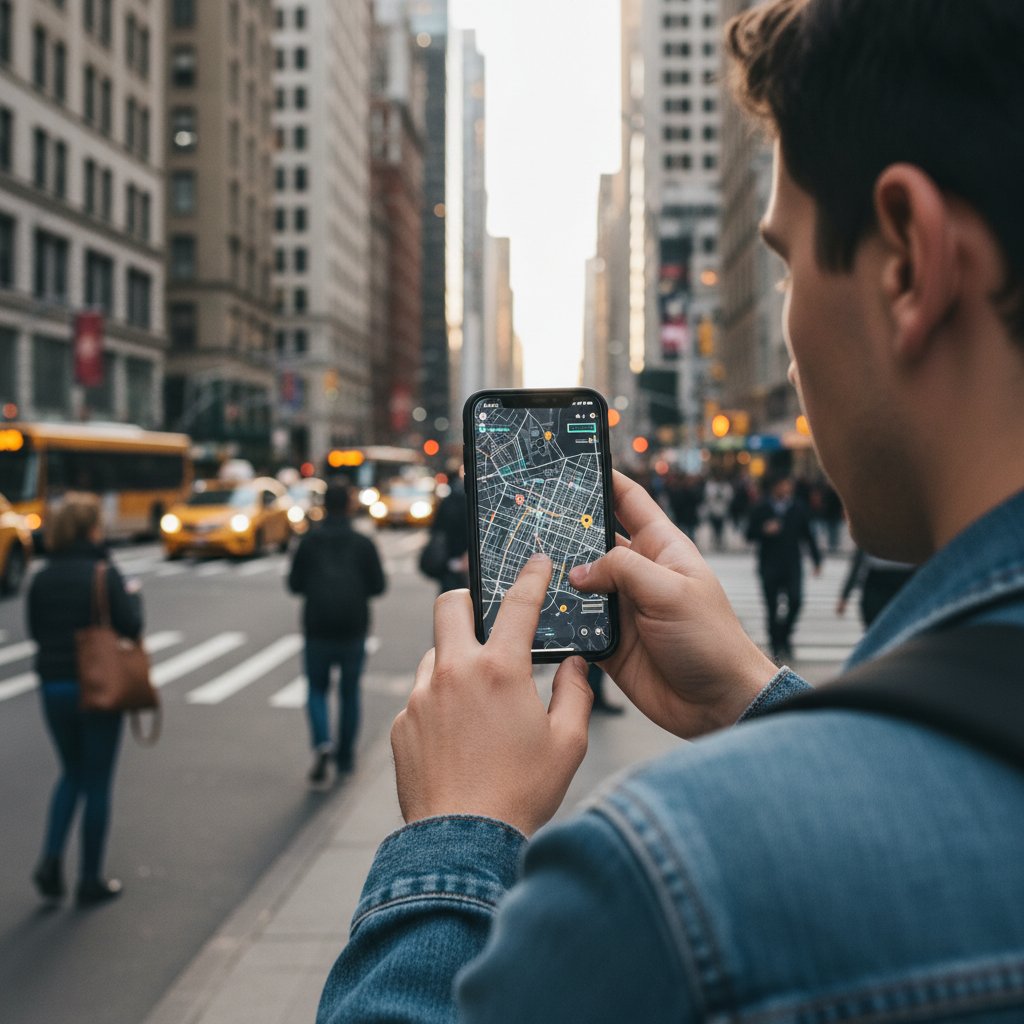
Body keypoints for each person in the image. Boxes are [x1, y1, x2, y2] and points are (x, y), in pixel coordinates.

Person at [317, 1, 1024, 1020]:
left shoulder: (672, 890)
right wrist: (758, 695)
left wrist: (457, 828)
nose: (784, 338)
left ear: (908, 261)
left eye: (780, 263)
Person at [29, 493, 143, 907]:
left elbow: (37, 631)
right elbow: (130, 626)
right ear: (90, 528)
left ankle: (51, 860)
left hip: (53, 687)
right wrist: (132, 596)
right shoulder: (103, 571)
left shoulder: (41, 576)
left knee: (70, 773)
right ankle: (89, 879)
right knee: (96, 780)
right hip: (98, 687)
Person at [288, 479, 385, 782]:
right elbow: (378, 585)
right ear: (349, 505)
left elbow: (294, 584)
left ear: (324, 506)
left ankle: (322, 742)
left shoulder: (309, 540)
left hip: (317, 625)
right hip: (353, 627)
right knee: (349, 692)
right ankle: (345, 759)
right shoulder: (362, 543)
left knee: (317, 689)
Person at [746, 473, 822, 661]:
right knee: (771, 608)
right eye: (782, 485)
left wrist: (817, 559)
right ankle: (776, 645)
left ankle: (784, 635)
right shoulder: (762, 507)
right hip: (769, 565)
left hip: (792, 564)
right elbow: (749, 534)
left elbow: (808, 534)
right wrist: (764, 530)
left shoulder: (797, 507)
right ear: (774, 487)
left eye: (787, 485)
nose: (786, 488)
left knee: (796, 601)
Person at [837, 548, 916, 628]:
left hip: (900, 582)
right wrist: (845, 596)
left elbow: (858, 564)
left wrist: (845, 596)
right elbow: (858, 563)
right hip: (881, 582)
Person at [429, 471, 470, 593]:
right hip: (467, 556)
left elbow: (436, 529)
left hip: (449, 559)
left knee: (449, 596)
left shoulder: (447, 502)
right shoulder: (469, 500)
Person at [701, 474, 734, 551]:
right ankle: (715, 541)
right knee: (714, 528)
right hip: (713, 510)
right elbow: (707, 497)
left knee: (721, 528)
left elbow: (729, 497)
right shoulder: (710, 486)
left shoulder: (726, 486)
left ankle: (720, 542)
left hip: (722, 511)